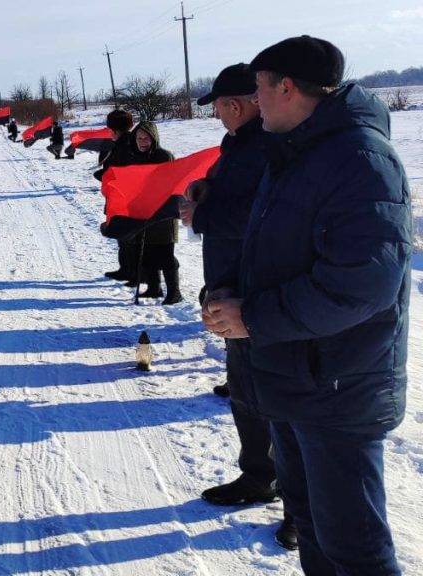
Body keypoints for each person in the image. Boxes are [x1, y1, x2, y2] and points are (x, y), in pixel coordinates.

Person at [203, 36, 411, 575]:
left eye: (259, 88)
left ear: (287, 88)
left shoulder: (360, 160)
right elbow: (272, 248)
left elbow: (361, 285)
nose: (254, 100)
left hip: (338, 386)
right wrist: (230, 291)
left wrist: (253, 316)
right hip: (294, 378)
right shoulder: (295, 151)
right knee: (312, 526)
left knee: (355, 550)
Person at [180, 63, 296, 549]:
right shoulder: (238, 146)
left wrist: (201, 213)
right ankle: (258, 476)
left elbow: (260, 214)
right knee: (246, 391)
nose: (218, 116)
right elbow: (234, 196)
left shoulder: (268, 146)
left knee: (280, 401)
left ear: (236, 104)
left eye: (220, 107)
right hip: (231, 286)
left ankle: (300, 508)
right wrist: (205, 191)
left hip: (259, 292)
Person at [126, 121, 182, 305]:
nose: (142, 141)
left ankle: (174, 292)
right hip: (143, 211)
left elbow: (170, 183)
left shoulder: (164, 156)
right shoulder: (134, 157)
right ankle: (154, 287)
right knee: (147, 251)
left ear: (154, 138)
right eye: (139, 138)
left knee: (165, 254)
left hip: (164, 213)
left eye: (146, 138)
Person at [95, 109, 137, 285]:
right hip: (122, 196)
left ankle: (132, 272)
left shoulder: (123, 147)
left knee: (127, 235)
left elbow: (120, 173)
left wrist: (103, 175)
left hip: (124, 198)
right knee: (123, 236)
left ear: (114, 129)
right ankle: (125, 269)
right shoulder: (125, 143)